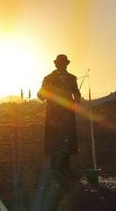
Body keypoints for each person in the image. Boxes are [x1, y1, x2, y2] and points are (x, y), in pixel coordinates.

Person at [38, 54, 81, 184]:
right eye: (59, 63)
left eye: (64, 63)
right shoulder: (48, 79)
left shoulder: (72, 78)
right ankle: (55, 167)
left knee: (67, 139)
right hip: (53, 116)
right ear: (55, 64)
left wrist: (76, 100)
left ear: (66, 64)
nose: (62, 65)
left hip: (67, 115)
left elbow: (77, 94)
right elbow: (40, 95)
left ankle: (66, 167)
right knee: (54, 140)